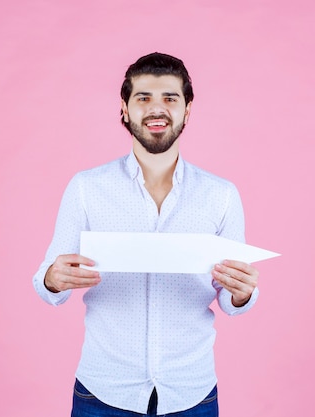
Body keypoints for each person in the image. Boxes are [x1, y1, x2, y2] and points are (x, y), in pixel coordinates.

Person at [33, 52, 260, 417]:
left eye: (170, 98)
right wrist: (53, 278)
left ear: (188, 110)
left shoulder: (222, 195)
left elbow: (232, 300)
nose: (158, 109)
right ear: (124, 109)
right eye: (144, 98)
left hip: (192, 393)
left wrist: (243, 292)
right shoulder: (86, 188)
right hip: (102, 392)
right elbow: (46, 284)